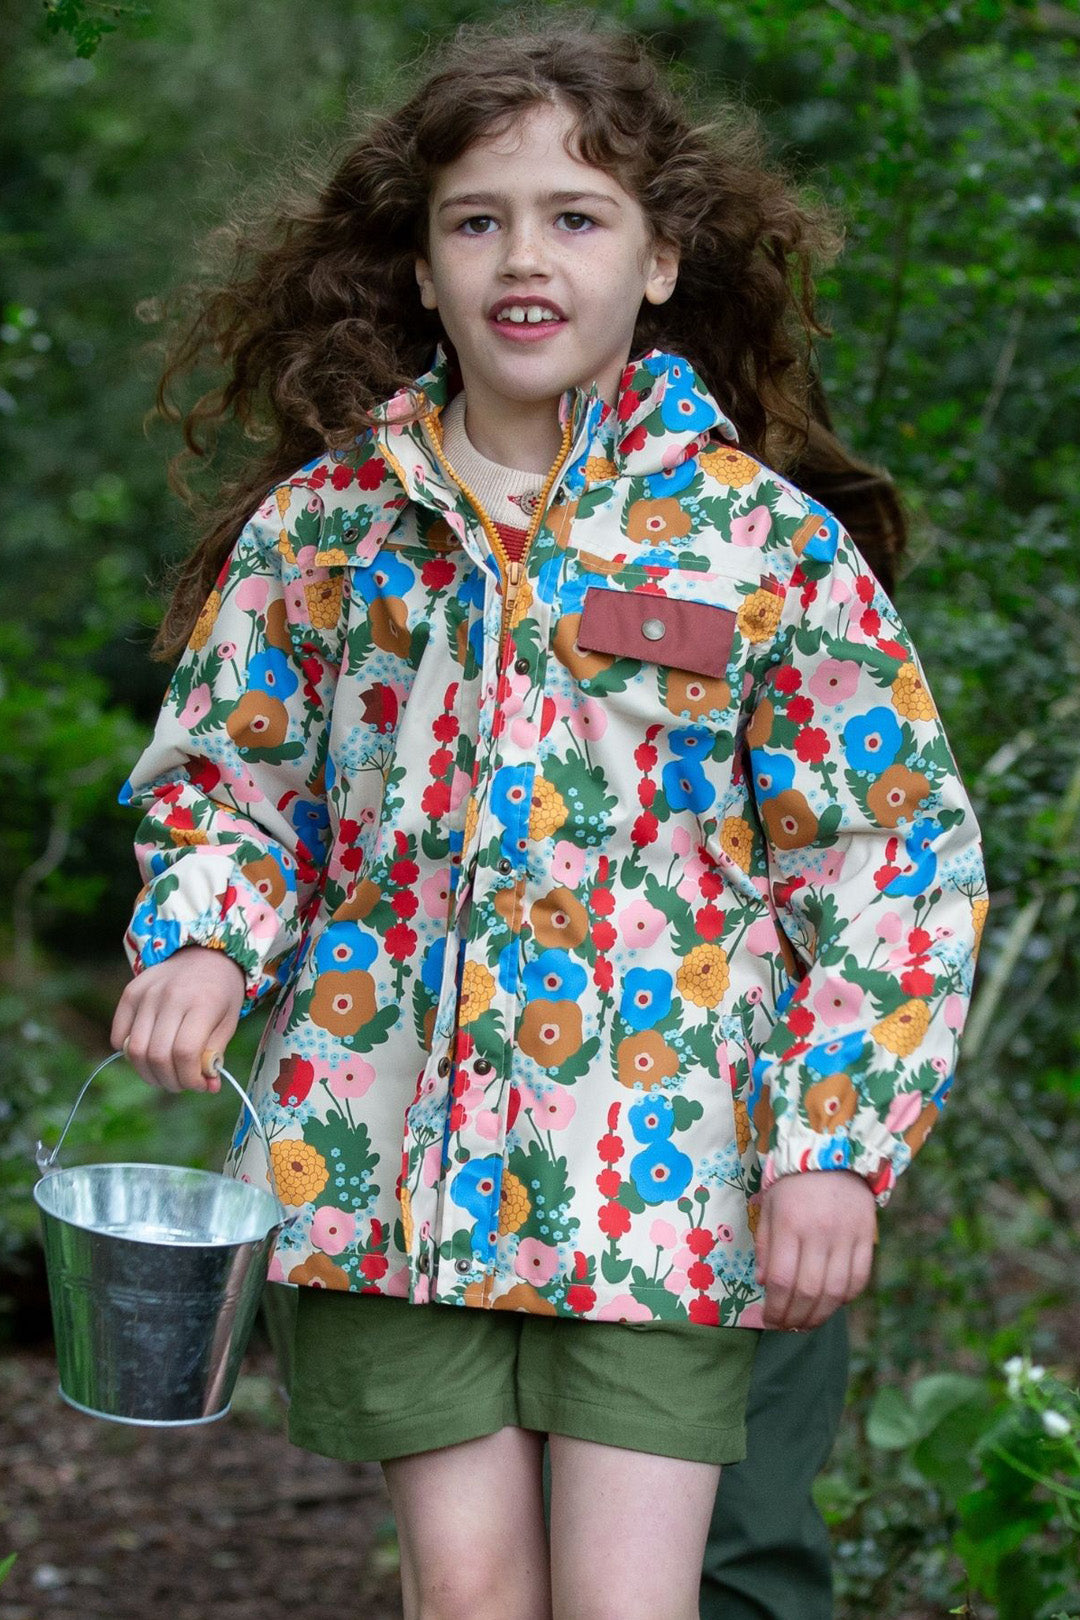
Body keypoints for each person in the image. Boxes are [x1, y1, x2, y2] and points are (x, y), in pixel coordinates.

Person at [111, 16, 988, 1620]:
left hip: (661, 1168)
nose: (527, 256)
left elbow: (887, 854)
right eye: (479, 218)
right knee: (467, 1597)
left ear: (658, 265)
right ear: (425, 266)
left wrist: (835, 1150)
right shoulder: (330, 526)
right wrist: (207, 942)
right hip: (376, 1157)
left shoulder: (755, 543)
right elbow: (236, 787)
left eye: (577, 217)